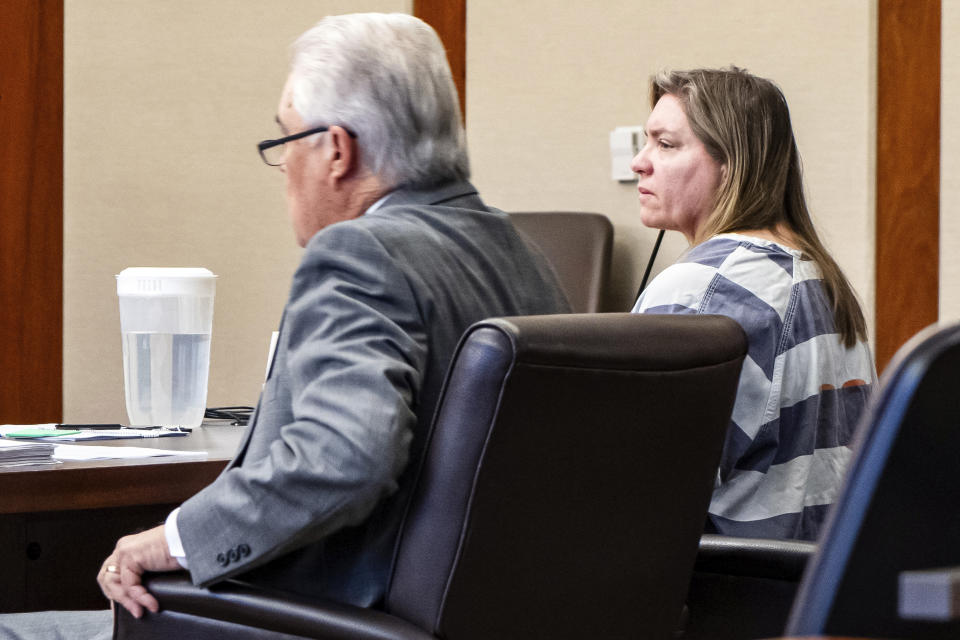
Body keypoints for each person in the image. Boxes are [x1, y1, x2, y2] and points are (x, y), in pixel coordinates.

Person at [0, 13, 569, 639]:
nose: (284, 169)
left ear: (336, 150)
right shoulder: (524, 254)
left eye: (285, 142)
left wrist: (173, 541)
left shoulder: (359, 254)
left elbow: (344, 456)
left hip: (321, 620)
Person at [630, 67, 875, 541]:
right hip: (810, 594)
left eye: (666, 144)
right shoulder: (821, 276)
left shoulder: (702, 289)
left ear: (732, 162)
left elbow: (637, 490)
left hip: (725, 594)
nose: (640, 163)